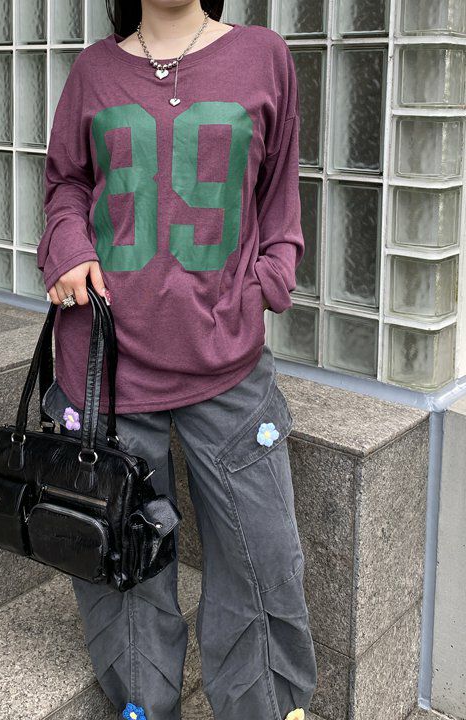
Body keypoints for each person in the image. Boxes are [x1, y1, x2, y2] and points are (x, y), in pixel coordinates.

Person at [36, 2, 318, 719]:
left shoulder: (263, 56)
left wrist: (269, 278)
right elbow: (67, 183)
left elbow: (279, 188)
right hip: (106, 371)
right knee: (124, 570)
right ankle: (141, 708)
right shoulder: (93, 70)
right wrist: (68, 245)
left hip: (229, 365)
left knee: (264, 562)